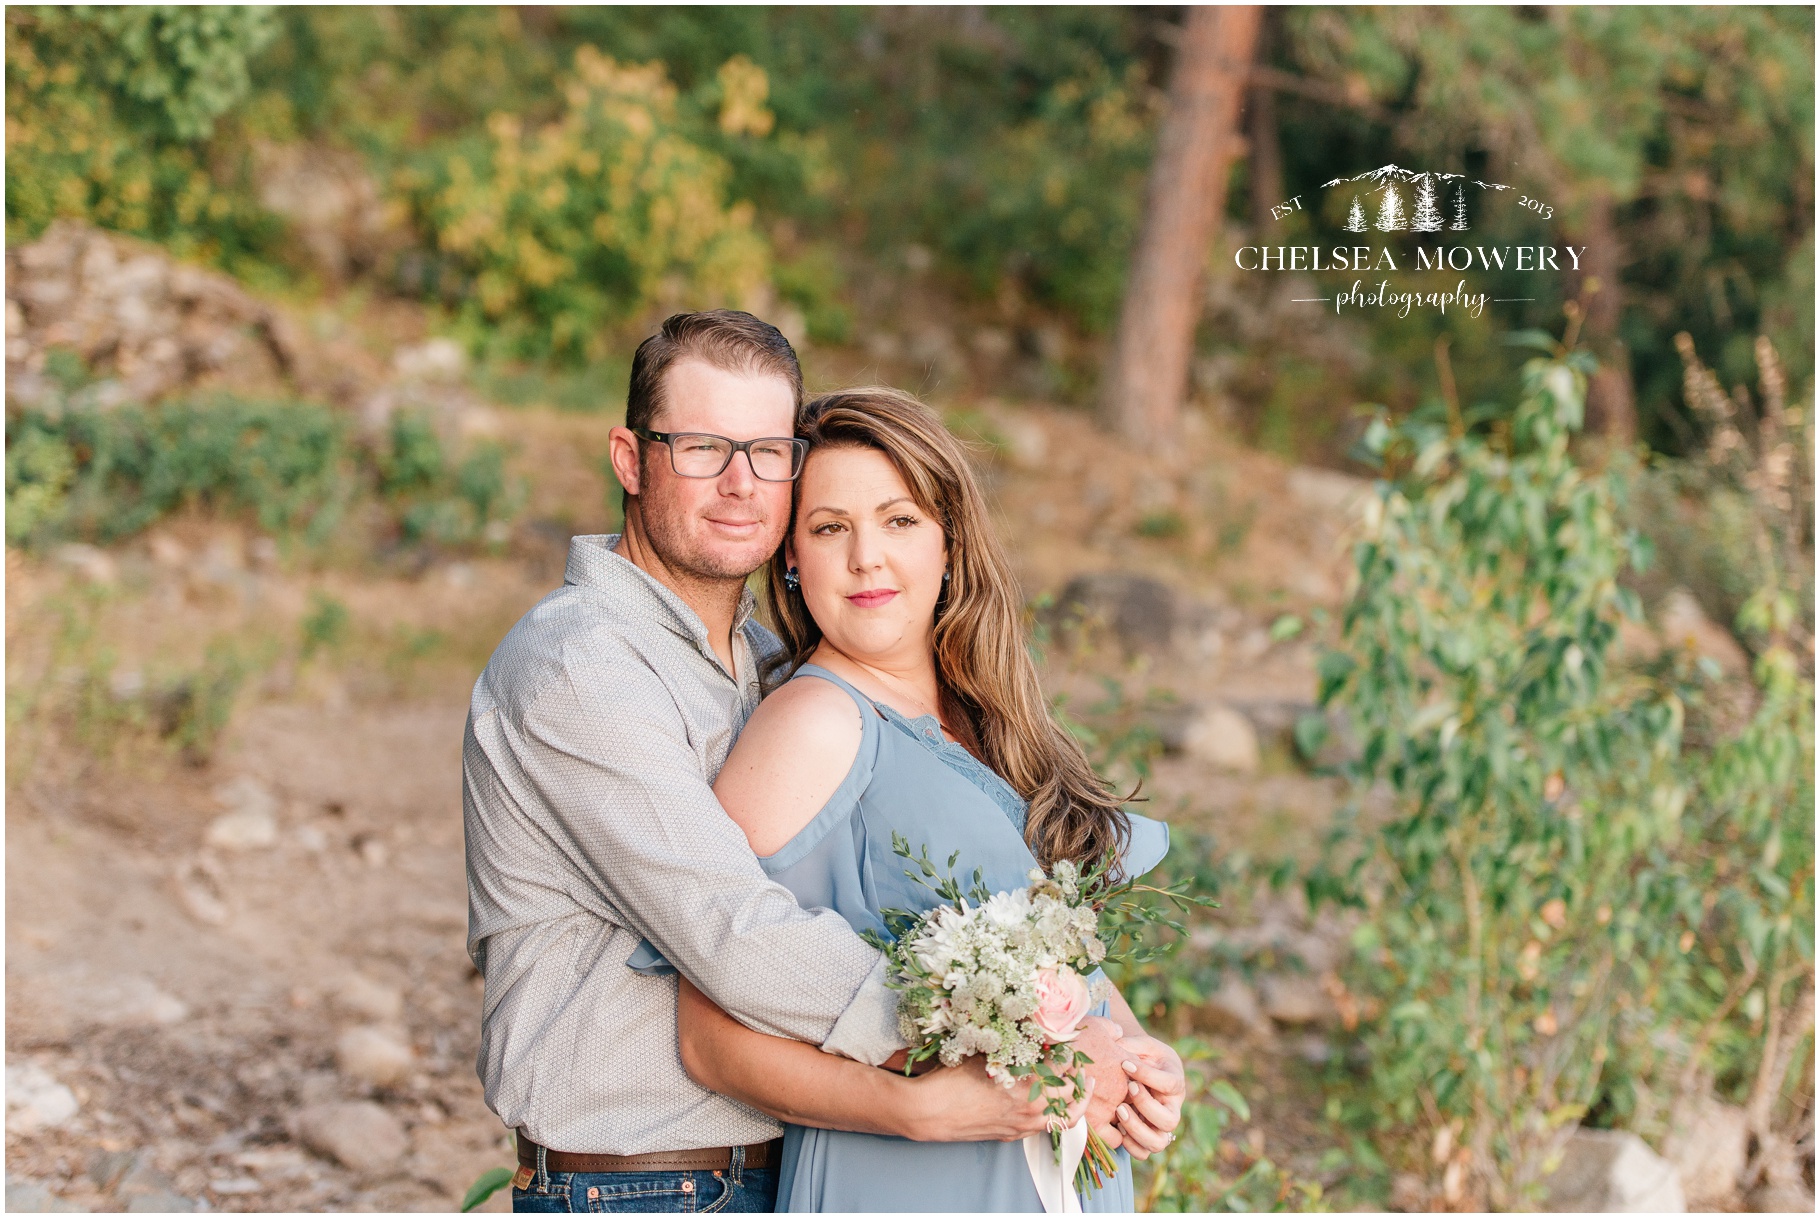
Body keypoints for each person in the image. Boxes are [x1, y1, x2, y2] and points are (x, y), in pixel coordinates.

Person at [462, 312, 1160, 1214]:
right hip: (639, 1186)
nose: (740, 483)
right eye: (701, 447)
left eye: (764, 451)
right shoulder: (580, 668)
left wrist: (1121, 1047)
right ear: (631, 460)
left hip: (769, 1165)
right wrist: (1020, 1046)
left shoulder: (758, 662)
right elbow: (733, 932)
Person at [674, 387, 1187, 1211]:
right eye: (830, 527)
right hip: (913, 1181)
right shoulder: (813, 723)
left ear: (949, 543)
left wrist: (1138, 1060)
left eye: (900, 520)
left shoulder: (988, 719)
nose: (866, 557)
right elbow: (708, 1040)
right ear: (792, 560)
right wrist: (914, 1111)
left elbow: (1063, 961)